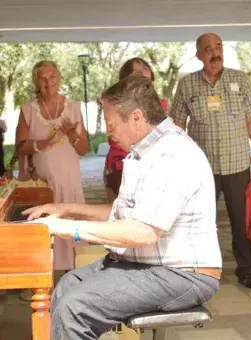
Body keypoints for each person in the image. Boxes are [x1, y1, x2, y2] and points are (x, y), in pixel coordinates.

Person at [23, 75, 222, 339]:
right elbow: (121, 214)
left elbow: (143, 232)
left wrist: (66, 228)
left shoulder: (172, 153)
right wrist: (64, 209)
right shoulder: (144, 152)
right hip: (150, 265)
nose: (108, 131)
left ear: (136, 117)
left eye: (111, 123)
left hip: (183, 274)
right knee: (65, 287)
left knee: (74, 307)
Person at [170, 32, 251, 289]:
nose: (215, 53)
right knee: (199, 222)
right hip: (202, 169)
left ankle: (248, 271)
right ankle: (199, 271)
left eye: (218, 47)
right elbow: (178, 125)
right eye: (208, 49)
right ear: (199, 55)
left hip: (237, 165)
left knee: (241, 220)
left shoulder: (239, 79)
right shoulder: (187, 85)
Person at [15, 60, 88, 272]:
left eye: (52, 77)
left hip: (69, 182)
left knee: (71, 231)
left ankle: (73, 278)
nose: (48, 82)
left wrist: (73, 135)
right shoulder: (28, 109)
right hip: (43, 185)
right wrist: (41, 144)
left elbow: (83, 150)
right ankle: (41, 282)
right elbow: (20, 147)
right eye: (43, 78)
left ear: (60, 78)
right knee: (43, 233)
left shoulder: (73, 108)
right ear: (36, 82)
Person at [104, 57, 168, 202]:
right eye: (137, 71)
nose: (143, 72)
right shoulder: (117, 103)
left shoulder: (162, 103)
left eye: (145, 68)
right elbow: (115, 139)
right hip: (124, 161)